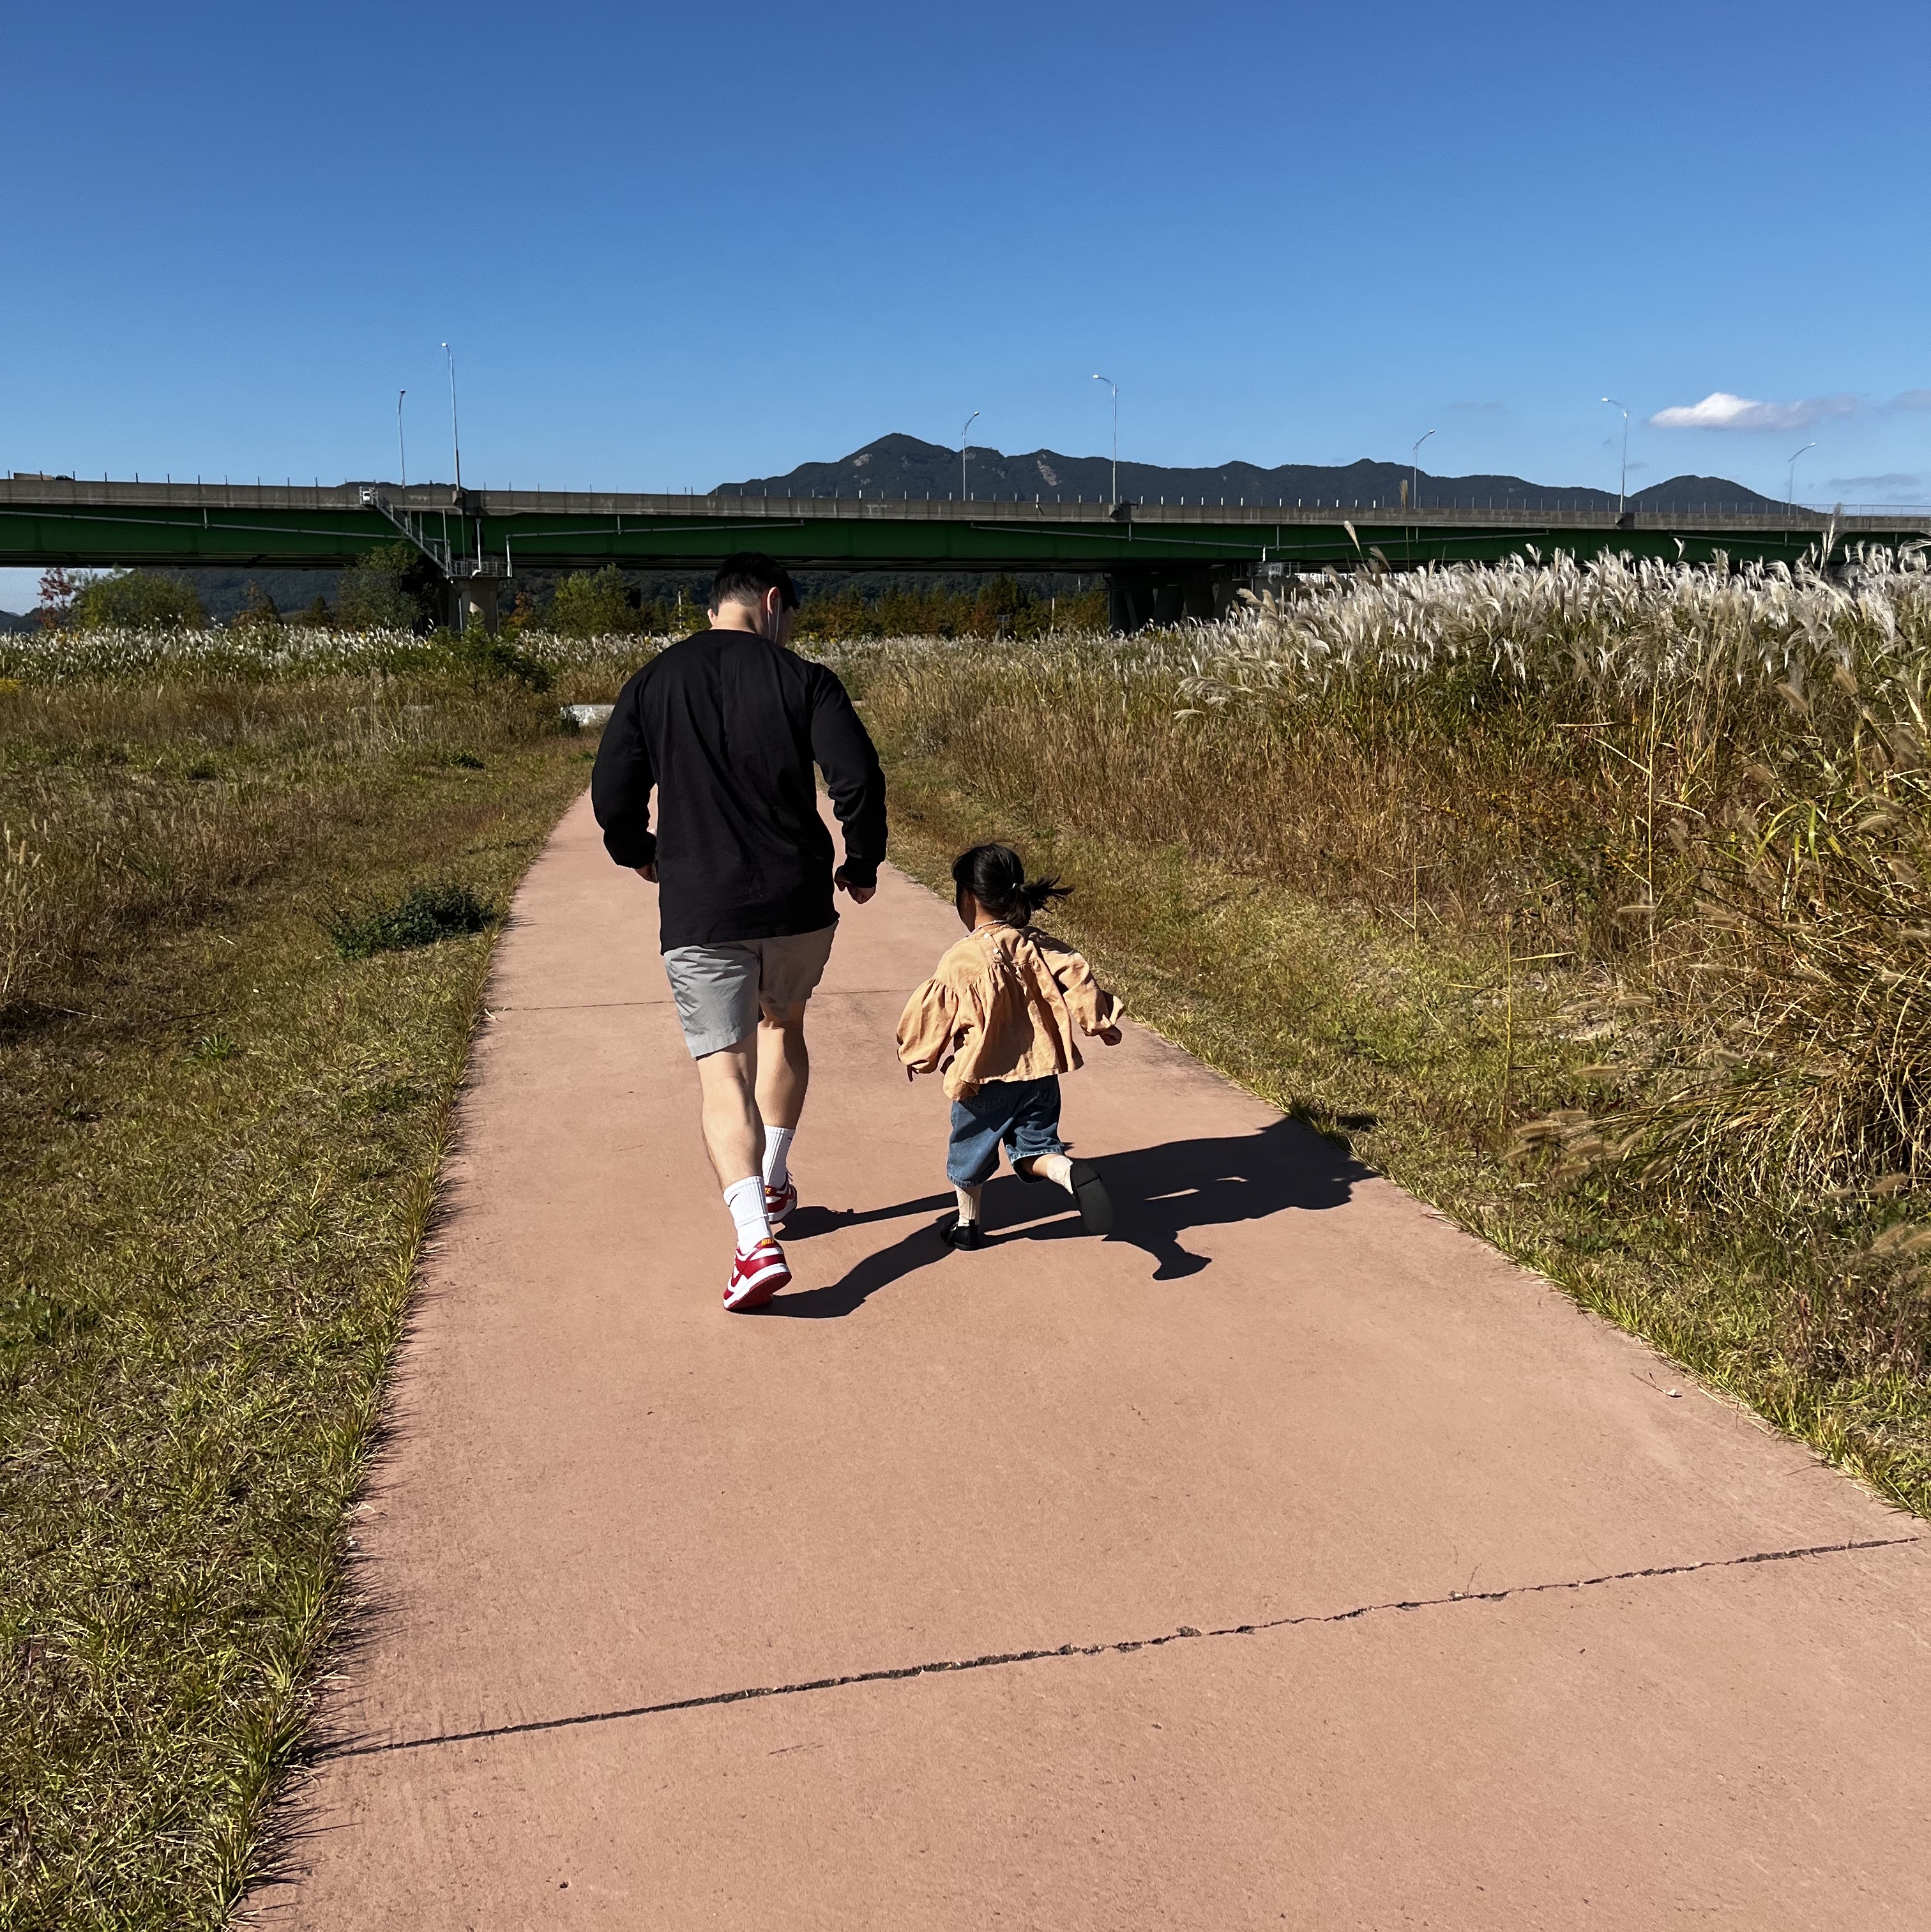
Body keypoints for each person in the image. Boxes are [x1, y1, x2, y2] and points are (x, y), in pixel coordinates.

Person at [591, 552, 886, 1311]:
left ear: (714, 607)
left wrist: (637, 850)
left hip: (703, 906)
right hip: (797, 902)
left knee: (723, 1068)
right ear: (773, 601)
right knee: (784, 1025)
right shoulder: (807, 680)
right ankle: (776, 1177)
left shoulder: (655, 680)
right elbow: (856, 777)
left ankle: (755, 1239)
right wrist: (861, 860)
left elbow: (613, 791)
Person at [897, 844, 1124, 1250]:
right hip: (1040, 1076)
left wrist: (917, 1053)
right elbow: (1078, 979)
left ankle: (967, 1225)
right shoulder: (1039, 945)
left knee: (969, 1155)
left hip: (985, 1079)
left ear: (968, 898)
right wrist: (1099, 1022)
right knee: (1036, 1149)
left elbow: (934, 1012)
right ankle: (1068, 1173)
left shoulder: (961, 959)